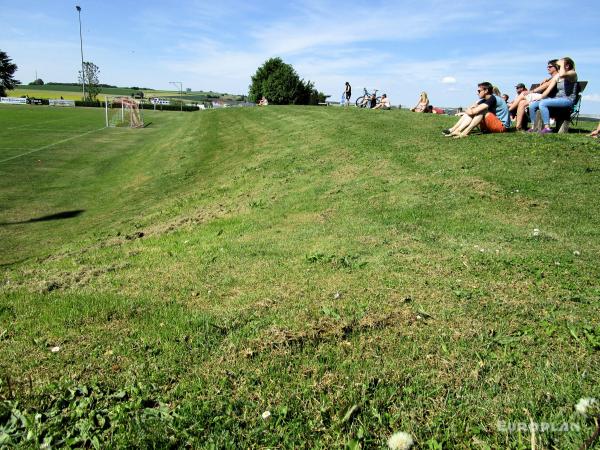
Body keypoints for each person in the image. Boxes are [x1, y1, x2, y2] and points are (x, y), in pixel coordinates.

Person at [528, 57, 577, 134]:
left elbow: (562, 74)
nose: (558, 67)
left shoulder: (572, 73)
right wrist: (540, 97)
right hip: (557, 99)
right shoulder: (557, 76)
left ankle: (547, 128)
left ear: (567, 66)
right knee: (533, 105)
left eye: (560, 65)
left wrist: (561, 64)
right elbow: (548, 90)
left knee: (543, 103)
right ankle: (534, 126)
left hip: (568, 100)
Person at [509, 60, 559, 130]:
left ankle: (509, 110)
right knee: (522, 102)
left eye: (550, 66)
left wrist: (531, 91)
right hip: (544, 97)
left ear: (556, 67)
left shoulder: (557, 76)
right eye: (547, 67)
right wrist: (545, 81)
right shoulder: (551, 78)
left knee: (523, 93)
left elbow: (547, 85)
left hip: (550, 99)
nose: (548, 68)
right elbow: (546, 85)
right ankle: (518, 127)